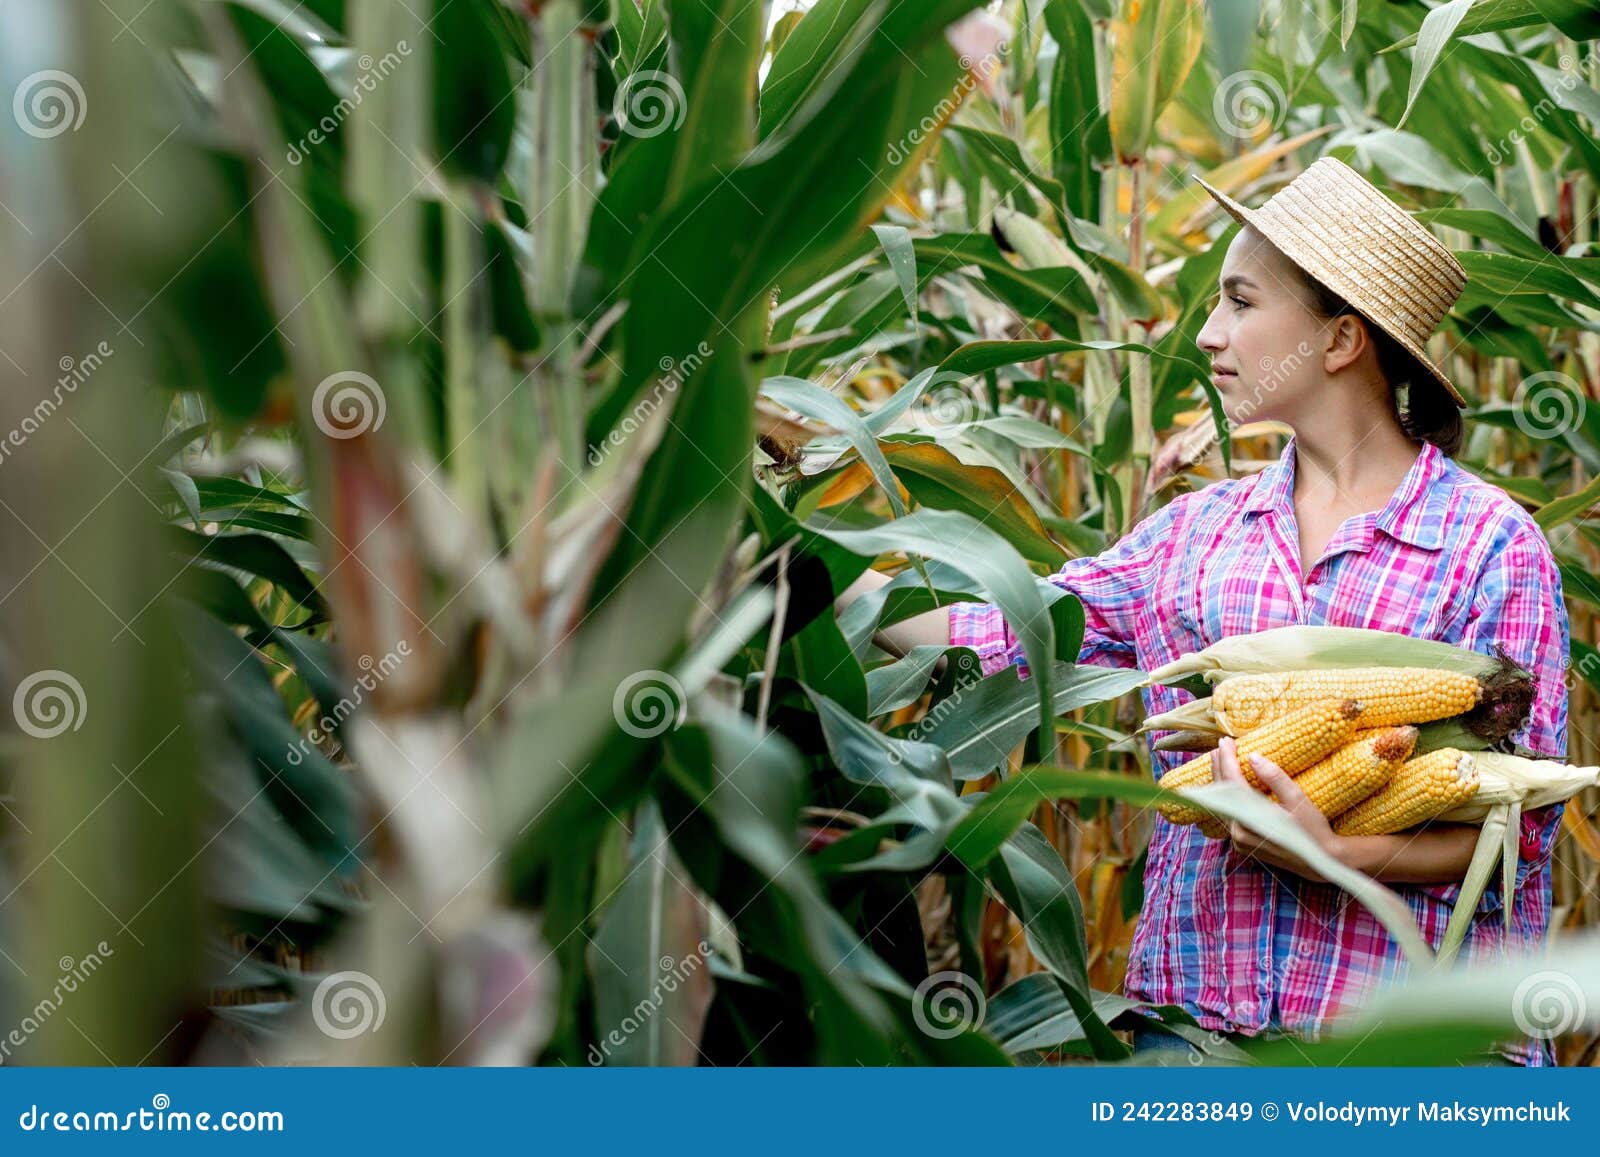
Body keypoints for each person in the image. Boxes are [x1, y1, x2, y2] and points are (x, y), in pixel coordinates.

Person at [838, 157, 1569, 1065]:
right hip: (1193, 1041)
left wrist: (1342, 855)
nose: (1211, 334)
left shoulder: (1489, 546)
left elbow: (1520, 827)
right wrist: (830, 563)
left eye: (1241, 301)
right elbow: (1009, 632)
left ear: (1339, 340)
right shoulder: (1195, 536)